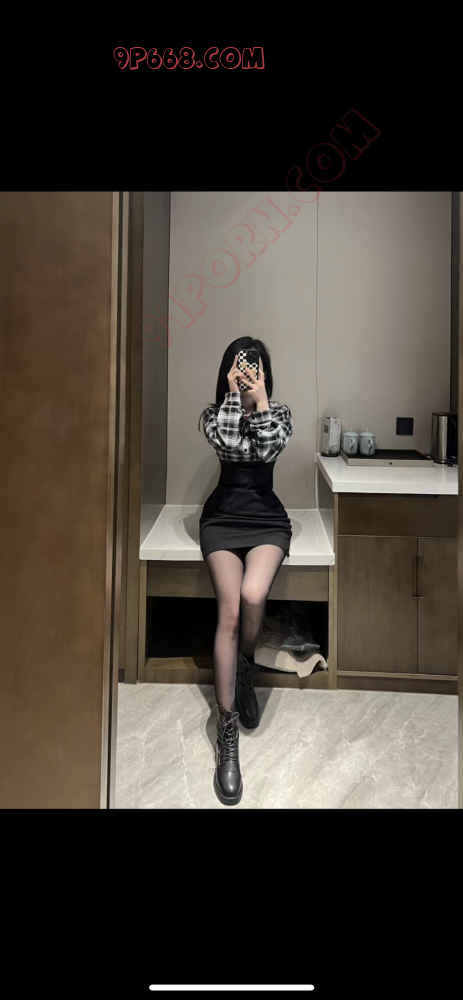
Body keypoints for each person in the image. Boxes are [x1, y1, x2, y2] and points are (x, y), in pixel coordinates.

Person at [197, 337, 293, 805]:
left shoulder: (281, 414)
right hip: (221, 520)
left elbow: (269, 449)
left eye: (256, 369)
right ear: (228, 374)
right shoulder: (213, 415)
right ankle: (227, 733)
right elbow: (231, 445)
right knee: (231, 610)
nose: (250, 374)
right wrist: (235, 398)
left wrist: (262, 402)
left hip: (266, 521)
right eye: (241, 369)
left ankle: (245, 670)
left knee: (254, 596)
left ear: (266, 375)